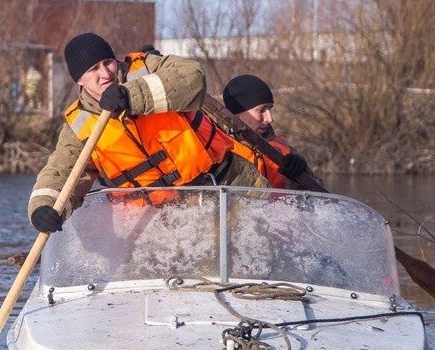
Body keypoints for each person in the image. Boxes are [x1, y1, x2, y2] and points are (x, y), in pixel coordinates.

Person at [27, 33, 266, 233]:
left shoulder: (145, 68)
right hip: (166, 218)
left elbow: (192, 77)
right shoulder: (79, 124)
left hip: (228, 183)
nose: (106, 73)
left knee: (268, 244)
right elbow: (59, 171)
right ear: (79, 80)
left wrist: (131, 96)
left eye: (108, 62)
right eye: (93, 69)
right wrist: (43, 207)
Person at [221, 74, 312, 189]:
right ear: (237, 113)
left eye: (270, 109)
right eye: (261, 110)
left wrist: (300, 176)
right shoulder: (218, 149)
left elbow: (318, 199)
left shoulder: (285, 151)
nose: (270, 118)